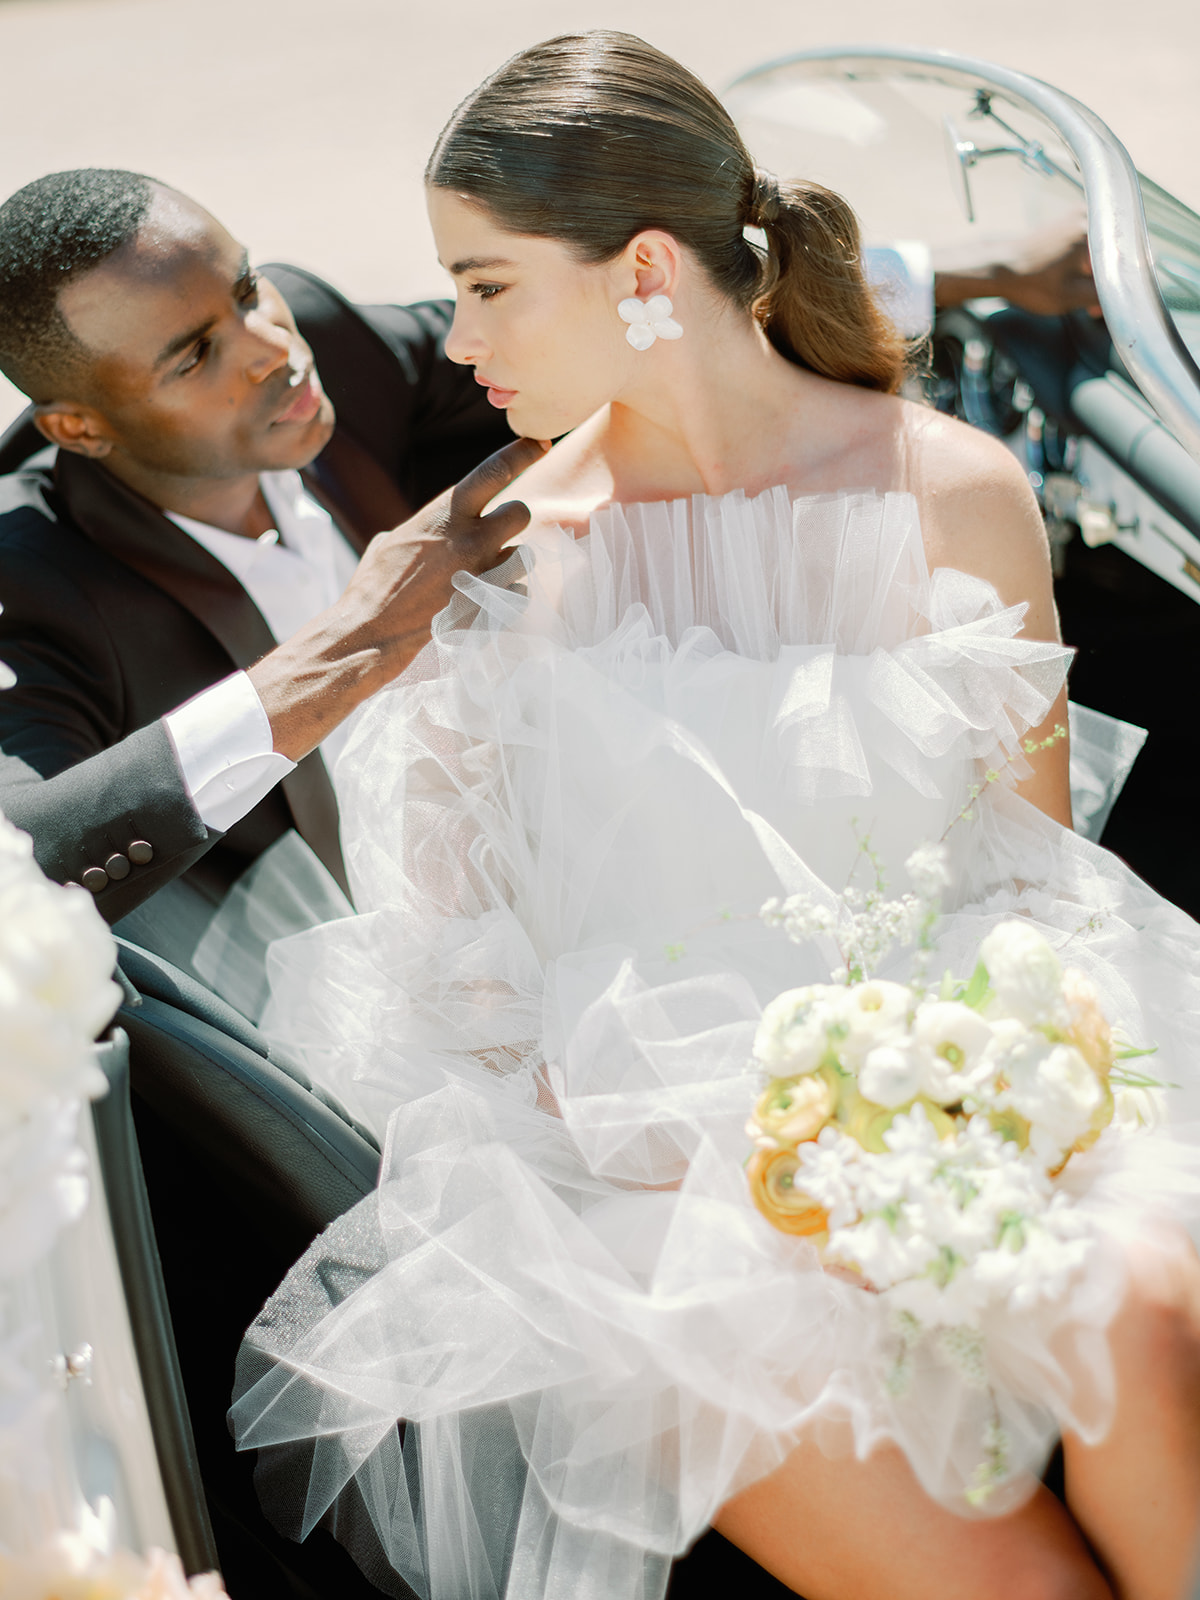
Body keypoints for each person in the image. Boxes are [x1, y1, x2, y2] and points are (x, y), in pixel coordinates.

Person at [227, 35, 1200, 1599]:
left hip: (939, 1110)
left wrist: (969, 1110)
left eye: (487, 285)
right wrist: (674, 1142)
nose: (458, 335)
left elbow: (1035, 878)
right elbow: (460, 983)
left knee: (1148, 1314)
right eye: (454, 290)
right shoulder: (506, 552)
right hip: (638, 1208)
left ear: (647, 269)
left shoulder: (948, 491)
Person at [0, 168, 535, 971]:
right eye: (193, 358)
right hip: (317, 1011)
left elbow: (579, 348)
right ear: (78, 426)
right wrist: (352, 645)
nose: (272, 348)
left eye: (246, 289)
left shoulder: (331, 339)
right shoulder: (28, 577)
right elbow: (24, 863)